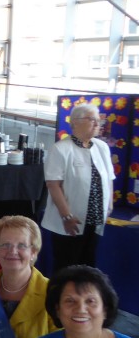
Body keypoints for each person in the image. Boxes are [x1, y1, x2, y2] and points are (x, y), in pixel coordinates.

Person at [41, 103, 114, 272]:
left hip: (94, 219)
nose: (97, 124)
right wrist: (67, 216)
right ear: (75, 122)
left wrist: (109, 204)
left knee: (88, 266)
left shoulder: (101, 147)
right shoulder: (61, 149)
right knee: (67, 266)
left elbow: (109, 177)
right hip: (69, 222)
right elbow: (53, 185)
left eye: (99, 120)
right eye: (92, 120)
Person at [0, 216, 55, 338]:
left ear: (33, 252)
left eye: (22, 245)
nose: (13, 251)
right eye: (5, 245)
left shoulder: (52, 292)